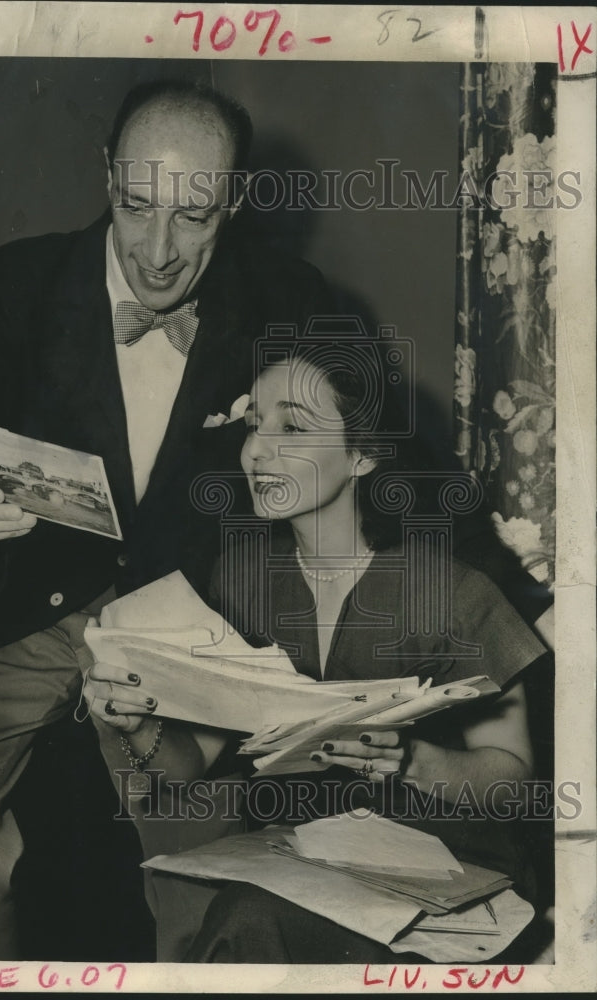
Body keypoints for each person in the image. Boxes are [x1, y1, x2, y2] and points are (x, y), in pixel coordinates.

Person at [0, 78, 331, 959]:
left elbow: (364, 472)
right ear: (105, 178)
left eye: (194, 217)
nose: (158, 252)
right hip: (25, 616)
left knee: (212, 868)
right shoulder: (13, 284)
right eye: (134, 205)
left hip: (188, 626)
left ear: (232, 201)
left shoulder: (292, 299)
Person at [86, 338, 550, 963]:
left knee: (245, 922)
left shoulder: (454, 590)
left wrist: (410, 760)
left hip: (455, 880)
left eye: (293, 428)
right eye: (254, 426)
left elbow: (514, 785)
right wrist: (136, 725)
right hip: (299, 861)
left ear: (362, 456)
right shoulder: (243, 579)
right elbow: (190, 764)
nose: (257, 451)